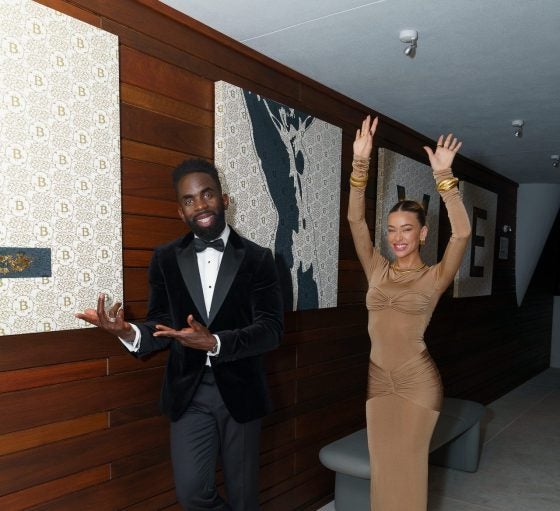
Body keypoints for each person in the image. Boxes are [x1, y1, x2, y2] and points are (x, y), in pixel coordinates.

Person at [76, 158, 284, 511]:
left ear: (224, 199)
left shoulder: (259, 259)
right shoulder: (165, 258)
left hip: (242, 391)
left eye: (207, 194)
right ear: (180, 211)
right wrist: (128, 331)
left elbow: (271, 331)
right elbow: (160, 324)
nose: (200, 205)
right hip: (189, 393)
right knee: (192, 493)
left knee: (243, 496)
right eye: (189, 200)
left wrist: (215, 343)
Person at [348, 115, 471, 510]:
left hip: (417, 383)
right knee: (383, 471)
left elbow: (463, 234)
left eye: (406, 229)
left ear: (422, 233)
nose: (397, 237)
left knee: (409, 470)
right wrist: (360, 163)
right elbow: (355, 220)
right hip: (378, 380)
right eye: (391, 229)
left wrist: (445, 179)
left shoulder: (435, 277)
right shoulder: (376, 268)